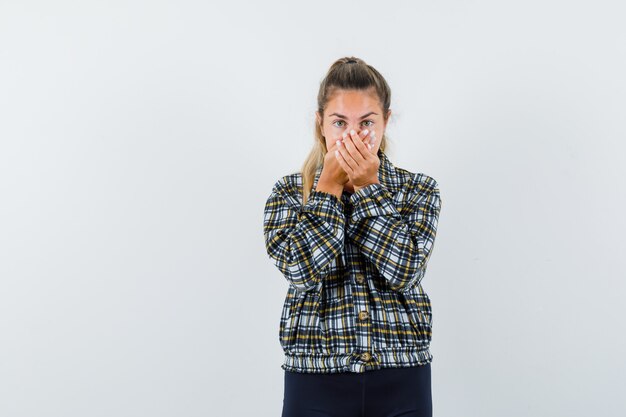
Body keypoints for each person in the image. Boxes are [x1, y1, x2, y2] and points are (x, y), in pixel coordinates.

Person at [263, 56, 442, 417]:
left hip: (402, 375)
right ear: (321, 123)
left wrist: (367, 188)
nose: (352, 136)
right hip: (315, 377)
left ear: (385, 121)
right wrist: (327, 188)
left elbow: (405, 271)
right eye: (340, 122)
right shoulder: (289, 193)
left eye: (366, 123)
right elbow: (300, 272)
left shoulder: (418, 190)